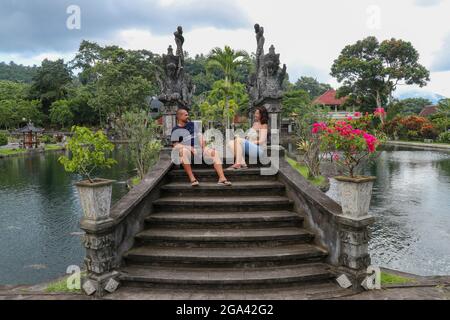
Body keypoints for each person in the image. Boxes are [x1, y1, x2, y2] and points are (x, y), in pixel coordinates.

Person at [171, 108, 232, 186]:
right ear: (179, 116)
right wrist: (189, 148)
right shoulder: (175, 129)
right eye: (186, 115)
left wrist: (204, 147)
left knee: (214, 152)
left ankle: (222, 178)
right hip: (189, 152)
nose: (188, 116)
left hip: (199, 149)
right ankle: (192, 179)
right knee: (183, 151)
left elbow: (200, 135)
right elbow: (175, 145)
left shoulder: (191, 124)